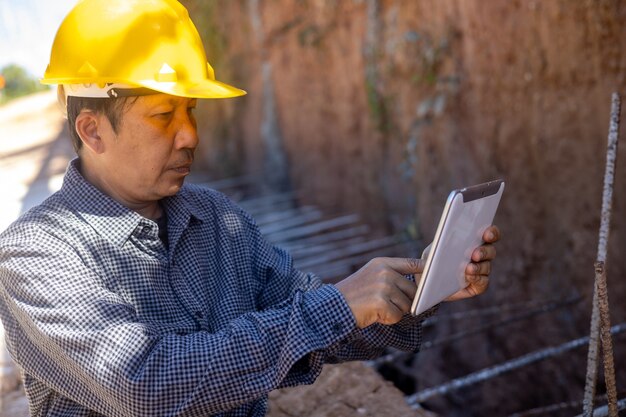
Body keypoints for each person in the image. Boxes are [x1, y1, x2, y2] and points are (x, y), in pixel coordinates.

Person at [0, 1, 500, 416]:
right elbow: (143, 382)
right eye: (162, 116)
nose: (190, 135)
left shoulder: (215, 219)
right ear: (92, 130)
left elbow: (320, 328)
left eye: (191, 111)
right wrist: (335, 306)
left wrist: (419, 290)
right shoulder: (35, 254)